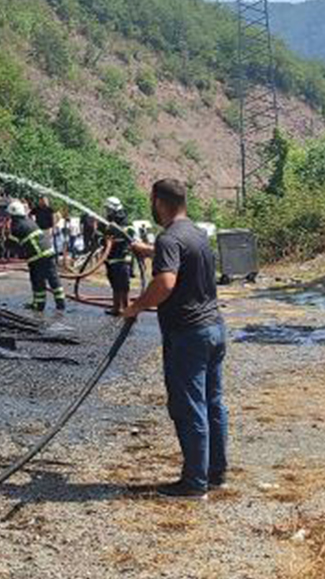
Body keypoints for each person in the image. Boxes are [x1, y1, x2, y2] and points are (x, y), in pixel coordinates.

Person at [123, 179, 227, 499]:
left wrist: (136, 306)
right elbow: (184, 256)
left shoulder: (169, 237)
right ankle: (216, 473)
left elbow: (166, 283)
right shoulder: (196, 233)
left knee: (189, 406)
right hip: (214, 329)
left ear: (158, 201)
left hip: (188, 335)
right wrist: (148, 250)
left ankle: (194, 484)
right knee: (212, 403)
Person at [6, 199, 66, 313]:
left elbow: (11, 244)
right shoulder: (28, 221)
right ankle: (60, 304)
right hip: (48, 252)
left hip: (37, 257)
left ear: (13, 214)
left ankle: (39, 305)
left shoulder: (17, 225)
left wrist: (2, 242)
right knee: (53, 278)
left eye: (9, 215)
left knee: (38, 280)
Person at [102, 196, 133, 317]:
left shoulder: (124, 221)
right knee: (114, 284)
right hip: (110, 258)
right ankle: (116, 309)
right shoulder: (106, 221)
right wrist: (104, 240)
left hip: (122, 258)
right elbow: (100, 236)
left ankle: (127, 311)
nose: (107, 212)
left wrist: (115, 238)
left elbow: (130, 235)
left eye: (108, 209)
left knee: (124, 286)